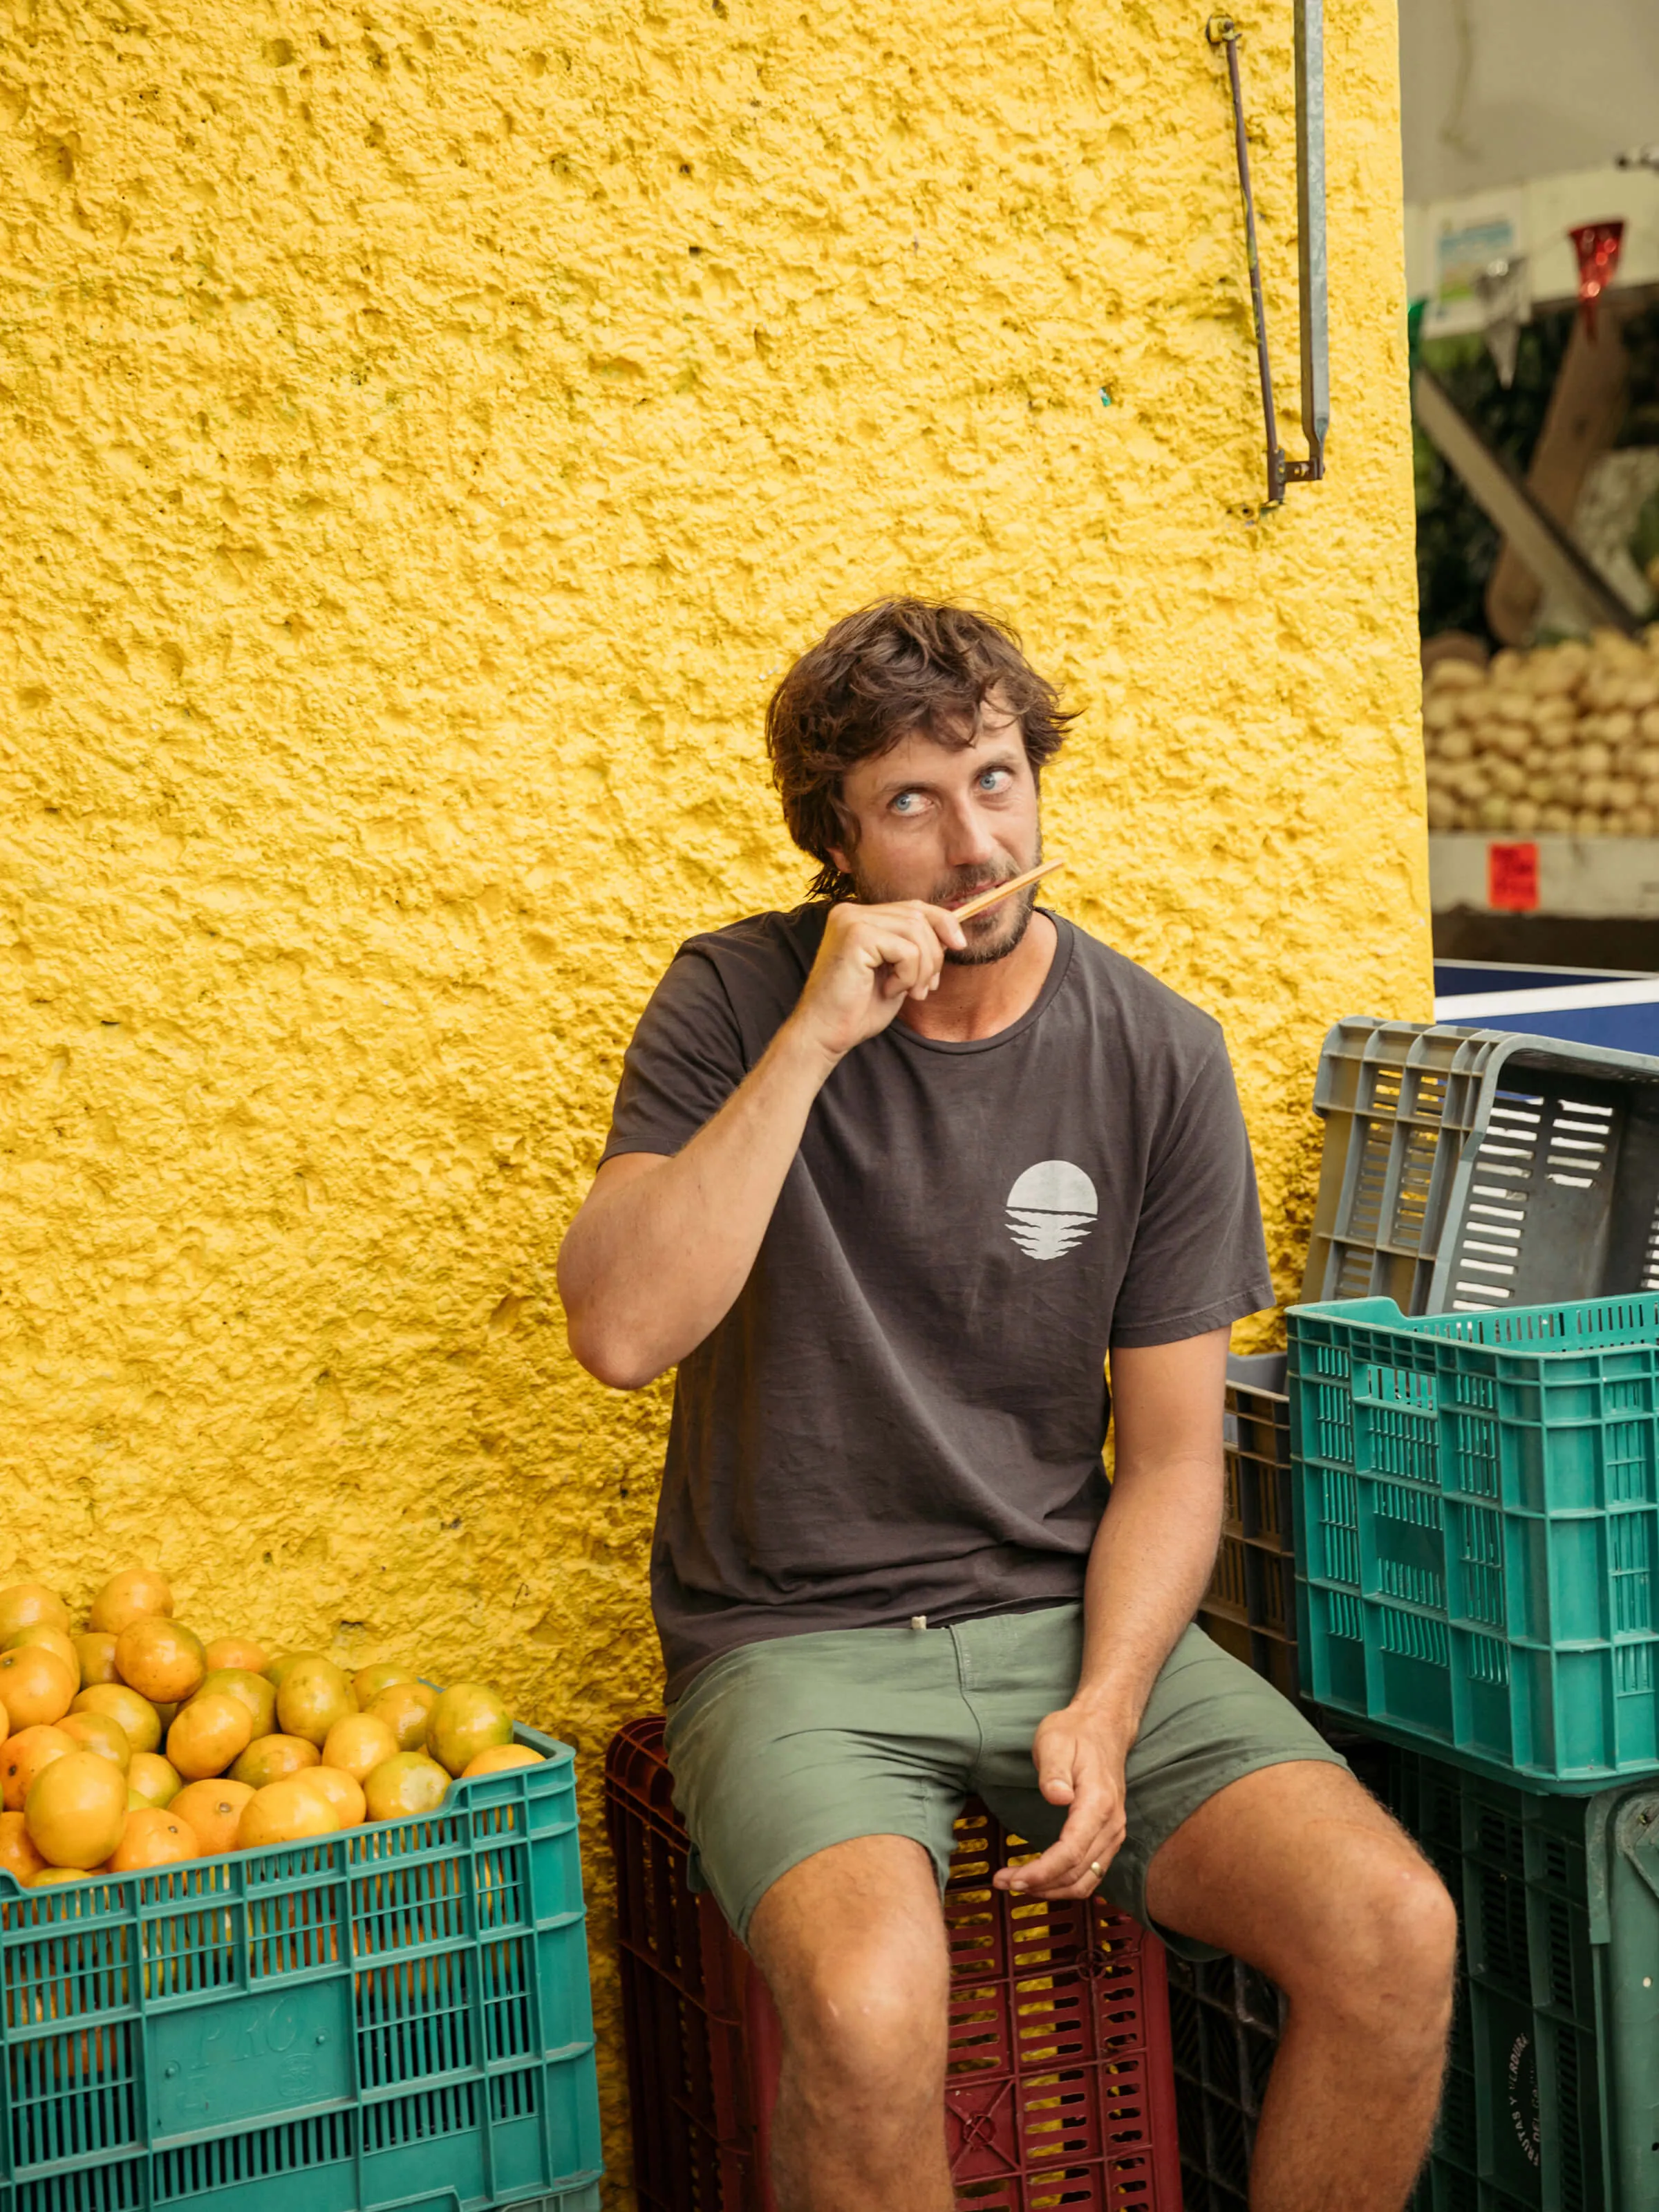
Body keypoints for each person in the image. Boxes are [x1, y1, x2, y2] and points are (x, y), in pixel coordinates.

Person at [558, 600, 1455, 2212]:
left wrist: (1111, 1704)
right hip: (793, 1637)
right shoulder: (735, 996)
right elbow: (622, 1332)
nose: (972, 842)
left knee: (1395, 1934)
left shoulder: (1157, 1051)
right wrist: (820, 1040)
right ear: (835, 842)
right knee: (870, 2010)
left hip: (1065, 1613)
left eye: (993, 778)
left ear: (1035, 778)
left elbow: (1177, 1461)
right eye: (909, 803)